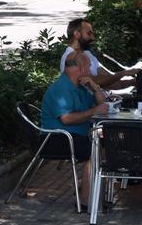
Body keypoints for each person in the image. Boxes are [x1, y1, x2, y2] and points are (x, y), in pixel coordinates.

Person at [41, 50, 108, 209]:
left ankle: (93, 193)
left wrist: (94, 87)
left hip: (75, 134)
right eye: (89, 66)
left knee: (106, 143)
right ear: (79, 68)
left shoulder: (81, 86)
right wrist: (93, 112)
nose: (91, 70)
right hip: (56, 138)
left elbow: (102, 103)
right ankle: (87, 201)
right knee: (95, 151)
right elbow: (66, 119)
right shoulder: (61, 88)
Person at [60, 18, 139, 89]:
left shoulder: (87, 54)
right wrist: (124, 73)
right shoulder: (70, 57)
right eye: (89, 33)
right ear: (77, 34)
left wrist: (133, 82)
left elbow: (108, 81)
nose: (93, 38)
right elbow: (94, 81)